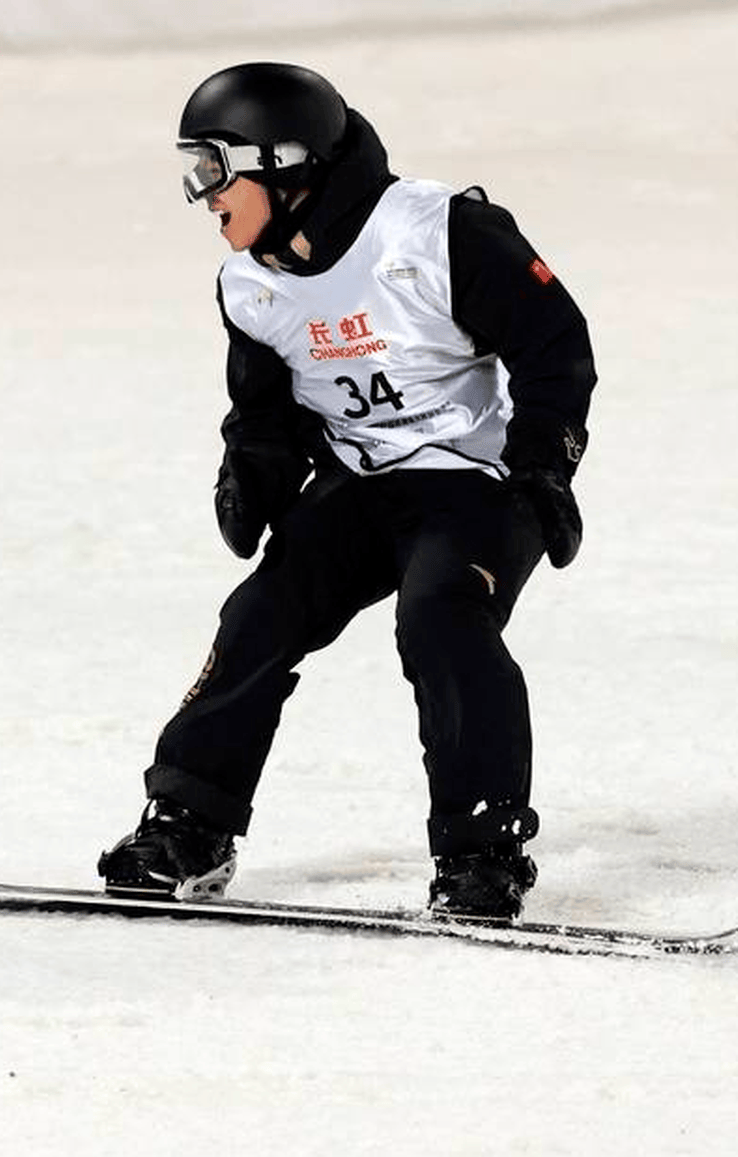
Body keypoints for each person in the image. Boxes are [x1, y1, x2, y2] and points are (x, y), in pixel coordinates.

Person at [97, 62, 597, 920]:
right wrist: (249, 473)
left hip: (475, 483)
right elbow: (264, 408)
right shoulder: (250, 282)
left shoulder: (440, 232)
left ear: (283, 163)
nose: (201, 194)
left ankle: (483, 851)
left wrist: (546, 461)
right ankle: (188, 825)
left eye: (214, 168)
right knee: (257, 618)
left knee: (440, 615)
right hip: (361, 483)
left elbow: (555, 345)